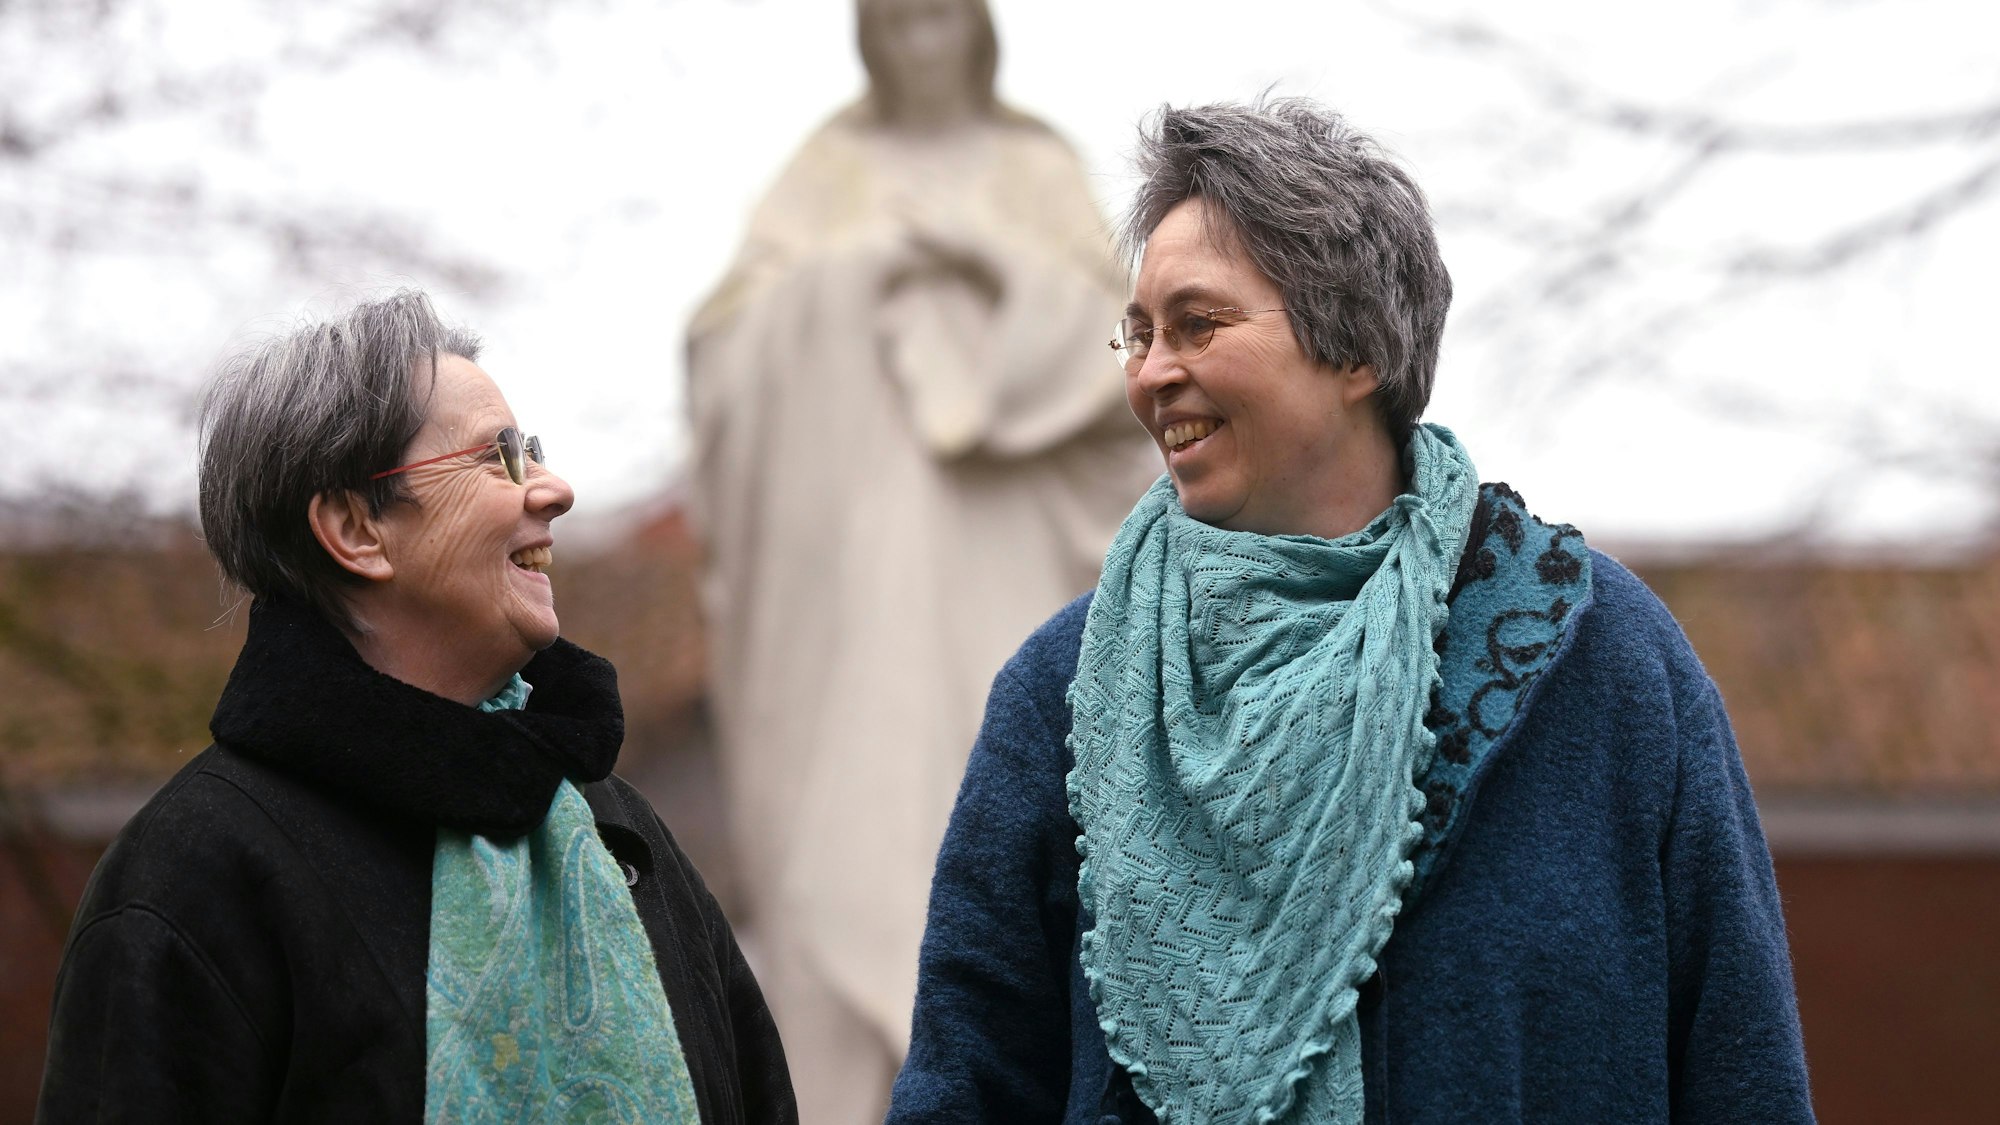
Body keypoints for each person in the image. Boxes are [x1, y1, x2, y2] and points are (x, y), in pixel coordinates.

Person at [887, 99, 1815, 1124]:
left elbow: (1742, 1073)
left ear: (1354, 349)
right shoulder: (1065, 694)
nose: (1150, 374)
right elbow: (964, 1085)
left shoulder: (1605, 663)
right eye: (1137, 333)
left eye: (1196, 323)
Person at [37, 291, 796, 1123]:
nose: (555, 489)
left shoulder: (619, 827)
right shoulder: (199, 872)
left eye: (533, 449)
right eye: (498, 456)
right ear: (356, 528)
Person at [685, 0, 1156, 1119]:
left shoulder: (1034, 169)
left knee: (1008, 815)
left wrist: (986, 275)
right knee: (847, 844)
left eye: (938, 16)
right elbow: (724, 353)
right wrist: (861, 282)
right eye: (894, 20)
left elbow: (1126, 347)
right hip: (852, 591)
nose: (918, 42)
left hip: (1010, 563)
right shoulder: (827, 172)